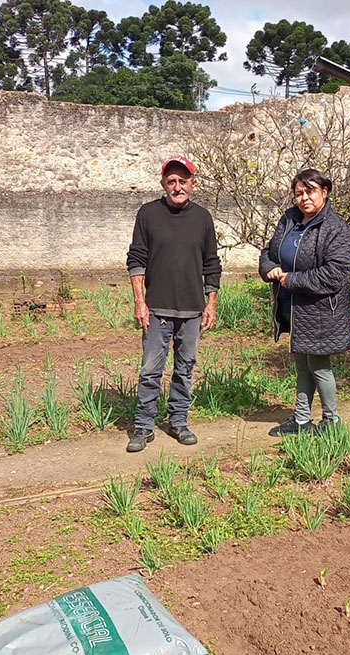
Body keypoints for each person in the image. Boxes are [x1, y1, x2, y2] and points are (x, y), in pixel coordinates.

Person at [125, 156, 221, 452]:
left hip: (192, 310)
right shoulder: (148, 214)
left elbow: (211, 264)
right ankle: (143, 426)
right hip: (157, 311)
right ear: (163, 184)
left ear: (193, 183)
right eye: (171, 181)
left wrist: (211, 303)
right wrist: (140, 303)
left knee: (185, 368)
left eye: (183, 180)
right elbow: (136, 259)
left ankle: (179, 421)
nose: (177, 186)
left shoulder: (202, 218)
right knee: (151, 370)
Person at [259, 168, 350, 436]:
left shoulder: (335, 229)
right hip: (293, 307)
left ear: (324, 192)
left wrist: (292, 279)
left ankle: (330, 421)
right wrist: (269, 268)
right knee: (302, 363)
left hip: (322, 310)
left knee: (318, 366)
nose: (304, 198)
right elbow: (269, 250)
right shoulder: (289, 219)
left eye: (310, 191)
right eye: (298, 193)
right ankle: (301, 420)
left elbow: (335, 273)